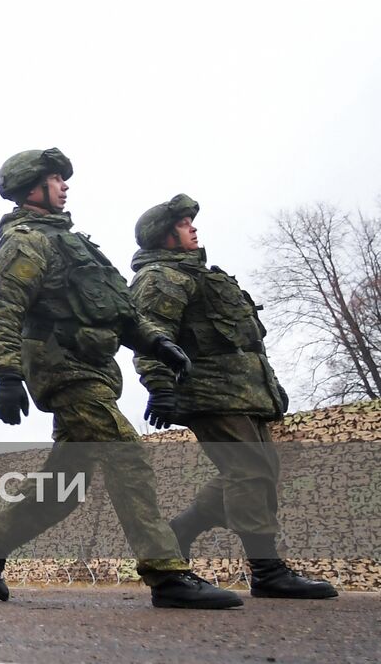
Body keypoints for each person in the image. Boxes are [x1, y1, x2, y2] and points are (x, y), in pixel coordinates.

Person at [0, 148, 241, 610]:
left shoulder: (75, 243)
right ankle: (166, 572)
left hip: (92, 367)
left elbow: (119, 310)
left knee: (63, 490)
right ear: (33, 188)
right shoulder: (25, 242)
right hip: (65, 369)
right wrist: (6, 374)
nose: (65, 185)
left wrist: (156, 343)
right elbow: (3, 308)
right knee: (126, 456)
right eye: (56, 178)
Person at [130, 194, 337, 599]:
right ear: (166, 236)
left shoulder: (201, 275)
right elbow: (148, 334)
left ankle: (182, 530)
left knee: (260, 473)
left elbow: (245, 343)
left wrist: (270, 387)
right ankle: (267, 570)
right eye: (184, 224)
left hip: (242, 392)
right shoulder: (160, 278)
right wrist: (160, 386)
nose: (193, 228)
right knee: (249, 473)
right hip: (209, 391)